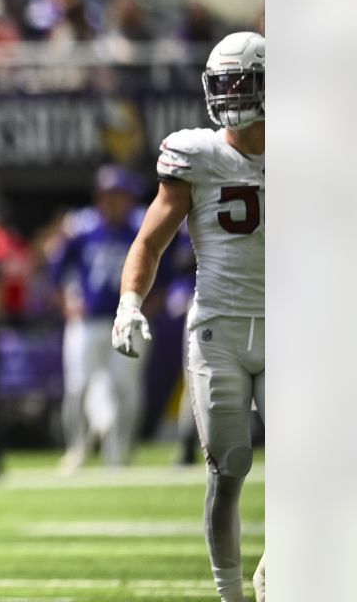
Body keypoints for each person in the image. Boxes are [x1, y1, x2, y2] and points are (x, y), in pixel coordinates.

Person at [112, 31, 265, 602]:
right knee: (229, 469)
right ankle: (230, 595)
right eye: (222, 84)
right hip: (219, 329)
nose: (230, 95)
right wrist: (129, 302)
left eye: (242, 83)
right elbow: (149, 242)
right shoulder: (196, 155)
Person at [54, 164, 146, 473]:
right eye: (109, 196)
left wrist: (151, 304)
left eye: (120, 196)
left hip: (127, 318)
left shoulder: (140, 229)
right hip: (88, 320)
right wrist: (65, 303)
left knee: (126, 387)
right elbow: (54, 273)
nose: (114, 202)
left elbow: (165, 271)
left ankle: (118, 452)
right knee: (77, 388)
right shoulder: (81, 229)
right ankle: (76, 448)